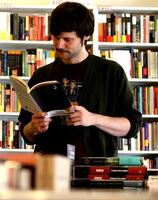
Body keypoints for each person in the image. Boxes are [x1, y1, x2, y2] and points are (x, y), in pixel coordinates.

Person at [18, 1, 142, 158]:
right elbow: (26, 134)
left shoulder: (111, 72)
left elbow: (132, 126)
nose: (59, 45)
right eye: (56, 37)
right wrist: (32, 128)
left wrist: (93, 119)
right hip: (48, 170)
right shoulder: (41, 75)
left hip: (96, 172)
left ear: (85, 36)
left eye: (67, 39)